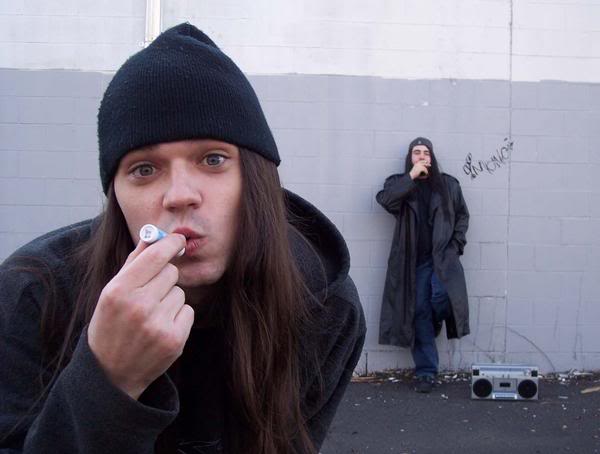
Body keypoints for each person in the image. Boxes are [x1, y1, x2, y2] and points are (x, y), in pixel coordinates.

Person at [0, 23, 365, 454]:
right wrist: (108, 380)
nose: (179, 196)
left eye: (212, 159)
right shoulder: (32, 295)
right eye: (144, 169)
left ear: (258, 180)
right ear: (116, 197)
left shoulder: (323, 306)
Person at [376, 137, 469, 394]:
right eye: (416, 153)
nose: (421, 156)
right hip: (414, 263)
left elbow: (463, 216)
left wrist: (456, 246)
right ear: (410, 158)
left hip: (443, 259)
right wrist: (411, 177)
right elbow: (386, 200)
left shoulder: (448, 185)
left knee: (442, 299)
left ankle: (433, 322)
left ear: (432, 157)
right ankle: (426, 372)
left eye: (425, 153)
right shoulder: (399, 184)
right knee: (418, 312)